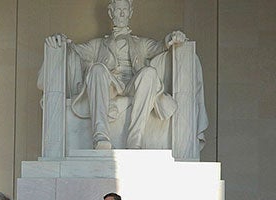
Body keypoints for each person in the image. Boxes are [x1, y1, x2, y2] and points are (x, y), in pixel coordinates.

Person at [45, 0, 204, 150]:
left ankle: (135, 139)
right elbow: (75, 50)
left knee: (149, 72)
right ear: (110, 13)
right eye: (118, 10)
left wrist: (172, 38)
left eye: (125, 10)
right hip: (110, 84)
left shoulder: (140, 43)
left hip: (133, 84)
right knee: (97, 69)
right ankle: (100, 136)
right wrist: (61, 41)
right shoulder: (98, 44)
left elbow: (160, 46)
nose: (121, 14)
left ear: (130, 12)